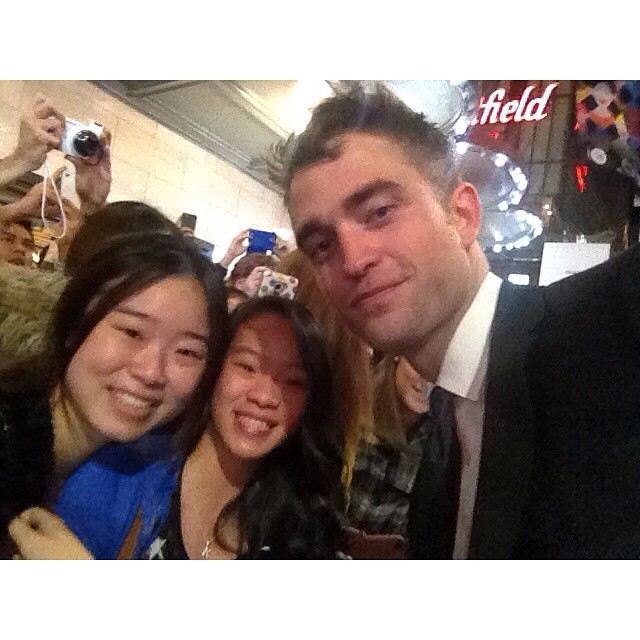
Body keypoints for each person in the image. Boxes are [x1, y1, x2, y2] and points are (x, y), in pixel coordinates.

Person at [283, 85, 640, 559]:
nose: (352, 259)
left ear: (463, 214)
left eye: (380, 212)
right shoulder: (440, 441)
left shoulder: (605, 327)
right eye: (322, 245)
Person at [42, 297, 344, 560]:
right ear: (213, 369)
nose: (264, 397)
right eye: (246, 366)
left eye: (293, 381)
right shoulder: (116, 477)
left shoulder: (302, 516)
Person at [2, 216, 229, 558]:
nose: (151, 372)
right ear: (74, 324)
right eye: (131, 332)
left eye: (186, 351)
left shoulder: (144, 466)